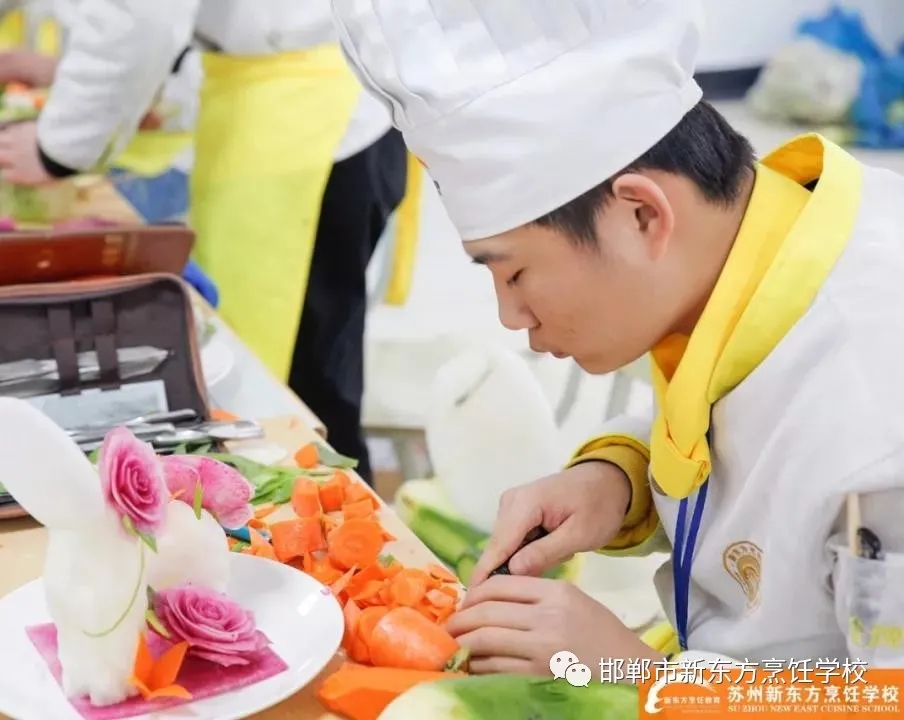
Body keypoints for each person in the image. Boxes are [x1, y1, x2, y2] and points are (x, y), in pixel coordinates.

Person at [331, 0, 904, 674]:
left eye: (514, 273)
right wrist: (618, 478)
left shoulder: (877, 428)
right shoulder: (758, 240)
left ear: (640, 214)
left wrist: (635, 671)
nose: (511, 316)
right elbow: (740, 414)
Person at [0, 0, 412, 484]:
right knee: (288, 372)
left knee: (305, 392)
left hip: (312, 123)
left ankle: (347, 545)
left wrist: (57, 149)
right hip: (265, 105)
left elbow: (138, 16)